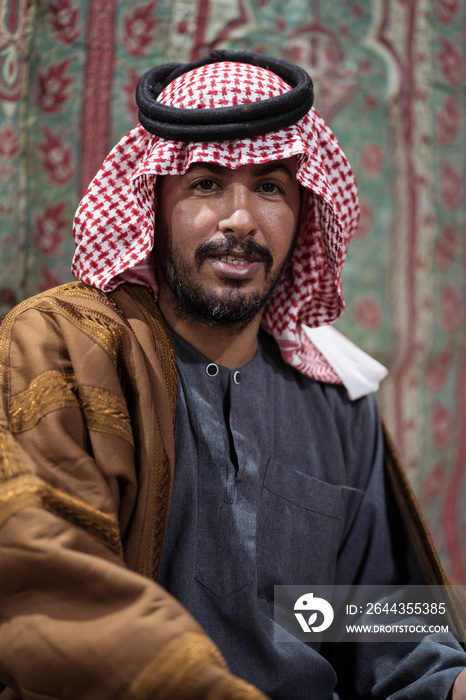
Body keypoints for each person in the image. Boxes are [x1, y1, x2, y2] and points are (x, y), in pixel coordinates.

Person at [0, 50, 464, 700]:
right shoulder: (69, 347)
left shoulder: (334, 401)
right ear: (154, 202)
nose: (240, 219)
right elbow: (51, 589)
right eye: (206, 184)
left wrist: (451, 684)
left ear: (304, 214)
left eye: (270, 187)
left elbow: (368, 630)